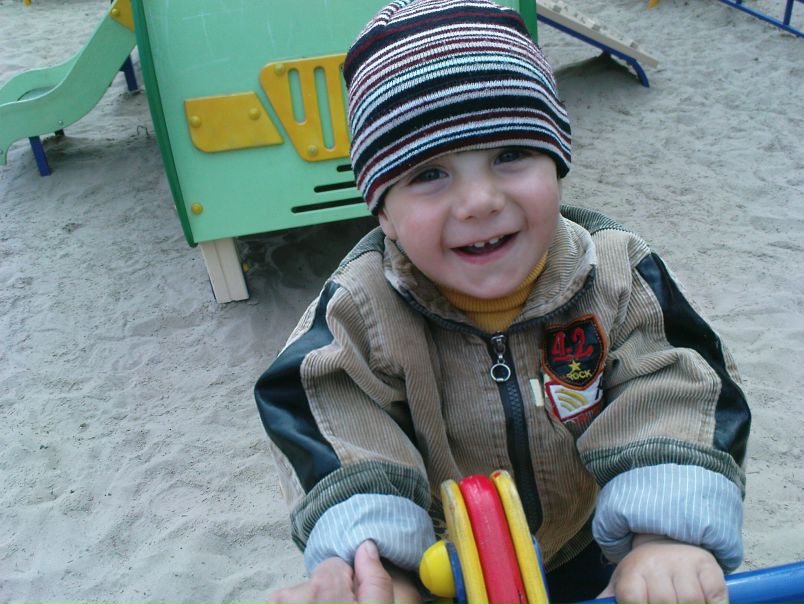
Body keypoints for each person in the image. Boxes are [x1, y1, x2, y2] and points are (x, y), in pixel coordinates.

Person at [255, 1, 751, 602]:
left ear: (557, 165)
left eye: (510, 155)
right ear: (383, 212)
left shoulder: (616, 275)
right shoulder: (358, 314)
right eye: (429, 174)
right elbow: (338, 431)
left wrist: (662, 533)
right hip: (444, 561)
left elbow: (673, 384)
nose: (480, 202)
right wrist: (385, 567)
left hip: (590, 539)